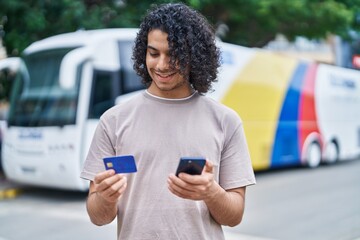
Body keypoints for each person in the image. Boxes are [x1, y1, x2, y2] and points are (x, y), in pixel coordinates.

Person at [80, 3, 256, 239]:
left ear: (193, 56)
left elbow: (234, 216)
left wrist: (211, 192)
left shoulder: (226, 121)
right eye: (154, 53)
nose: (161, 65)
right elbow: (98, 216)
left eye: (173, 55)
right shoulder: (113, 120)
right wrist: (105, 198)